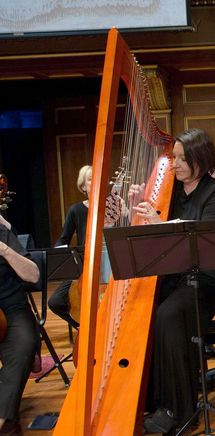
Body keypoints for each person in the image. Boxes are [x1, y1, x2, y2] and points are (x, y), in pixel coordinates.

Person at [129, 128, 215, 434]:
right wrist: (140, 205)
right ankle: (155, 399)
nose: (176, 164)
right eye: (175, 157)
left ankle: (181, 411)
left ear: (201, 159)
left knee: (168, 315)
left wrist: (162, 225)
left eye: (183, 158)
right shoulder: (171, 193)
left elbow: (206, 243)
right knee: (144, 310)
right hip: (181, 280)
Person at [0, 214, 41, 435]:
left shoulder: (2, 231)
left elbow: (33, 275)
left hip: (10, 306)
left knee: (24, 346)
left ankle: (3, 418)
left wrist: (4, 250)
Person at [48, 164, 92, 328]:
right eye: (90, 179)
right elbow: (63, 239)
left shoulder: (112, 206)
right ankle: (81, 327)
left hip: (108, 268)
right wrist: (61, 254)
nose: (94, 182)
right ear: (83, 186)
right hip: (81, 266)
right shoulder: (76, 210)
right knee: (55, 301)